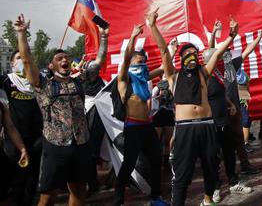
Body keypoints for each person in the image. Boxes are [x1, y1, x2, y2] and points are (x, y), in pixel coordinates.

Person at [149, 9, 238, 206]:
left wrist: (232, 35)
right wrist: (153, 26)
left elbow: (219, 52)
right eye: (186, 53)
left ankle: (207, 201)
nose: (191, 55)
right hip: (185, 128)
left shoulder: (204, 72)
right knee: (182, 174)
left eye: (193, 52)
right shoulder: (174, 76)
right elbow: (164, 51)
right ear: (181, 58)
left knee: (212, 169)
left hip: (207, 125)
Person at [15, 14, 90, 206]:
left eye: (66, 57)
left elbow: (100, 59)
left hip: (80, 143)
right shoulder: (44, 85)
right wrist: (22, 34)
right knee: (48, 196)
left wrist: (104, 37)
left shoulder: (78, 82)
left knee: (78, 191)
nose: (64, 59)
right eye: (59, 58)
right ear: (51, 65)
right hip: (55, 146)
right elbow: (26, 60)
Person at [114, 22, 168, 206]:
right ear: (129, 64)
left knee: (156, 162)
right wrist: (133, 36)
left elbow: (163, 67)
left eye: (144, 62)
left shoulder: (144, 78)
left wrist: (173, 51)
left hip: (148, 127)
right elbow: (127, 55)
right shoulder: (124, 80)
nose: (143, 65)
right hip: (133, 128)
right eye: (139, 62)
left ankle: (156, 197)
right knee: (128, 165)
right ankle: (118, 200)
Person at [208, 21, 262, 174]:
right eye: (225, 53)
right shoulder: (212, 68)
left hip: (234, 108)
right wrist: (213, 33)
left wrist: (259, 37)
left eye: (228, 54)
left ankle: (245, 166)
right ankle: (217, 172)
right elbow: (211, 49)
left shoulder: (232, 66)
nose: (227, 55)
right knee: (219, 142)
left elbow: (247, 51)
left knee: (238, 138)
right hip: (219, 109)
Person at [202, 47, 252, 204]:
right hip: (212, 123)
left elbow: (221, 94)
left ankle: (233, 183)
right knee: (214, 158)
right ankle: (214, 188)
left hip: (224, 120)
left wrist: (230, 104)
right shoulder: (204, 76)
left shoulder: (216, 74)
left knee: (229, 153)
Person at [0, 50, 43, 206]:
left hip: (36, 136)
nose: (22, 61)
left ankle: (30, 199)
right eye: (18, 58)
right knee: (17, 175)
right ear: (12, 63)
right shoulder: (5, 81)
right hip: (14, 137)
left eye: (25, 58)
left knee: (33, 174)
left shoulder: (38, 80)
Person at [79, 26, 109, 195]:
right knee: (90, 153)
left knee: (95, 152)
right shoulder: (80, 83)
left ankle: (96, 182)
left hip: (99, 117)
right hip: (87, 118)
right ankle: (92, 182)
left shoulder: (98, 82)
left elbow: (101, 57)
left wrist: (104, 38)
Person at [0, 93, 30, 206]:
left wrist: (22, 149)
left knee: (5, 197)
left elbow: (10, 128)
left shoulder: (1, 100)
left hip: (1, 157)